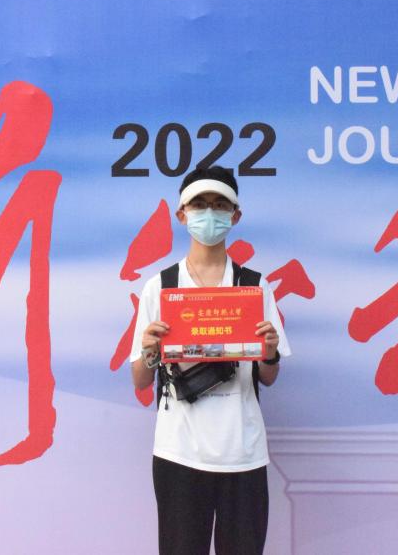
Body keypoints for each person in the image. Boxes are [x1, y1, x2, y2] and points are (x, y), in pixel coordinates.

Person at [129, 165, 291, 555]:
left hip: (242, 451)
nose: (209, 214)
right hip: (179, 451)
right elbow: (140, 380)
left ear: (235, 216)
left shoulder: (253, 286)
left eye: (220, 205)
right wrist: (150, 349)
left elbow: (268, 376)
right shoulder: (161, 287)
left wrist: (269, 350)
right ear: (181, 214)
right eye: (199, 204)